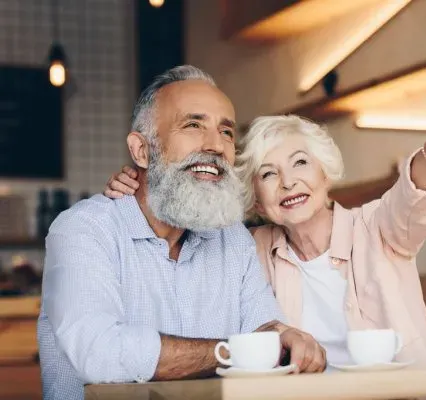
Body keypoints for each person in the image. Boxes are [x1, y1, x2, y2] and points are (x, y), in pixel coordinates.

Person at [106, 106, 426, 370]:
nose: (288, 181)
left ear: (324, 174)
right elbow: (183, 236)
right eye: (268, 173)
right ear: (257, 202)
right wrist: (142, 188)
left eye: (300, 162)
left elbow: (411, 199)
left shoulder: (376, 227)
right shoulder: (249, 250)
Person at [37, 66, 326, 400]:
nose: (217, 145)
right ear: (142, 151)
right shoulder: (84, 230)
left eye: (227, 132)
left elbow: (265, 326)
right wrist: (235, 352)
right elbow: (99, 354)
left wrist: (285, 336)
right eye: (193, 125)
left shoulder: (232, 239)